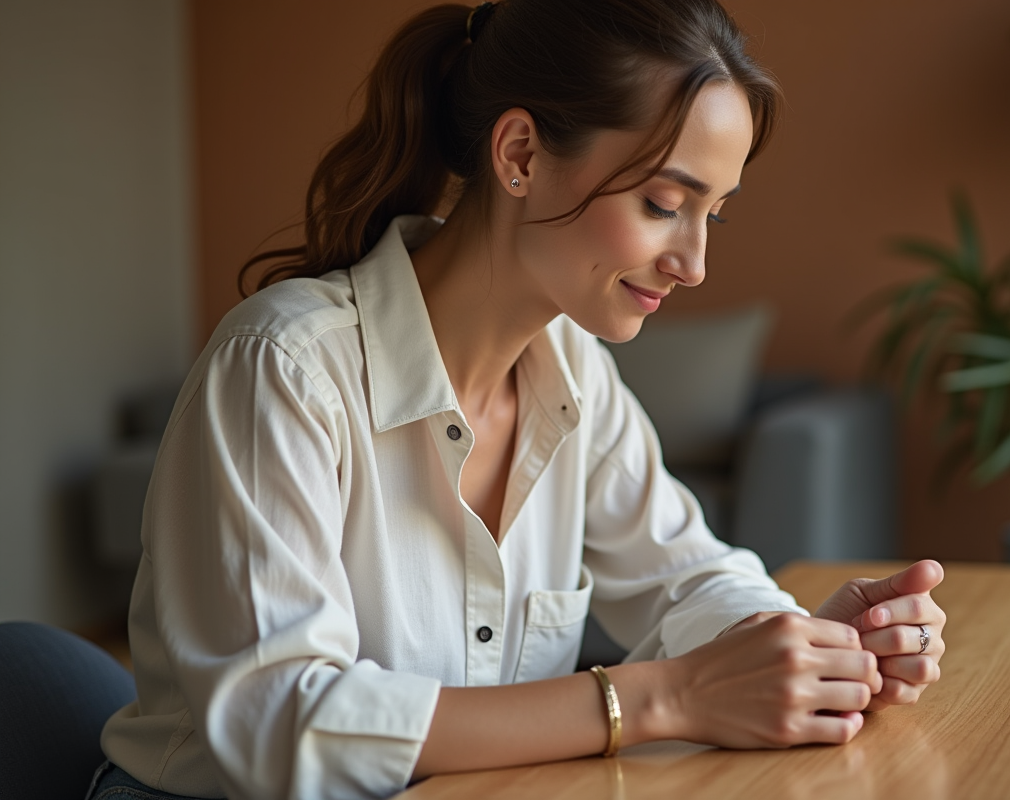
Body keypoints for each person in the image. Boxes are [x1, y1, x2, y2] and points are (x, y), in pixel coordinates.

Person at [89, 2, 947, 798]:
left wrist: (807, 650)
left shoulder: (572, 370)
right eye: (663, 204)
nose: (693, 263)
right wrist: (662, 698)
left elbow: (686, 576)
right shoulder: (283, 368)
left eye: (712, 215)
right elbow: (280, 726)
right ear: (521, 156)